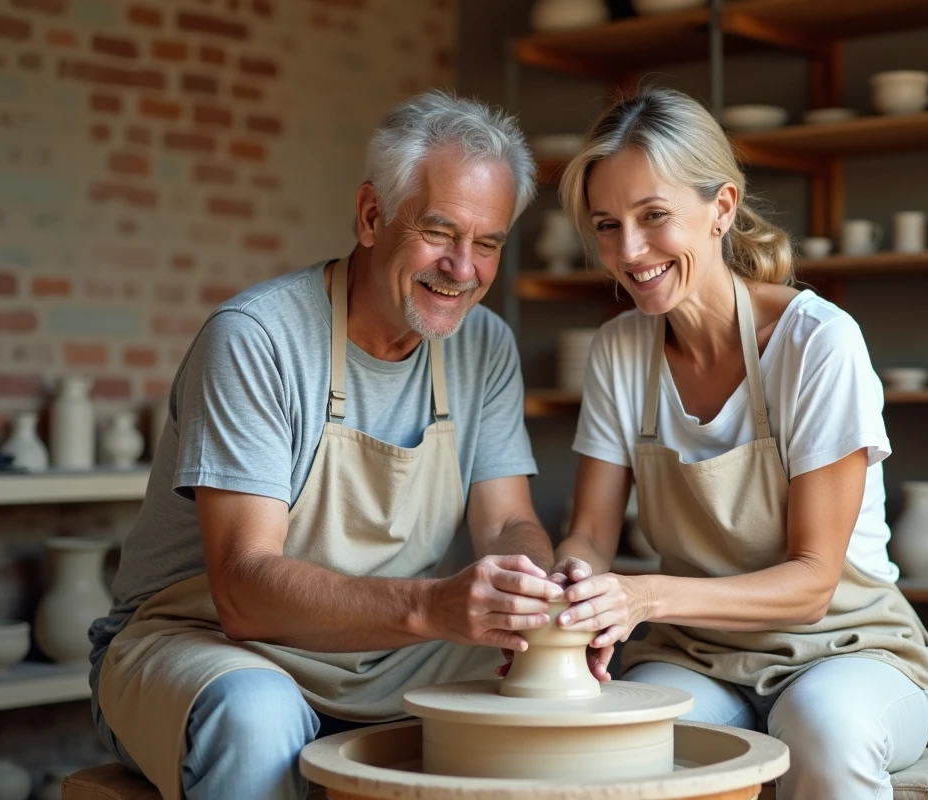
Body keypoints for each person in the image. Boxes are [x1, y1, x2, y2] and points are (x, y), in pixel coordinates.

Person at [87, 90, 578, 800]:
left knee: (553, 701)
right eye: (440, 232)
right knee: (258, 718)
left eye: (490, 243)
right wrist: (433, 608)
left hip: (390, 654)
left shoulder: (486, 346)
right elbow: (244, 592)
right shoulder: (257, 338)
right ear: (372, 216)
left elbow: (506, 523)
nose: (463, 268)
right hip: (208, 646)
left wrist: (535, 593)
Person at [548, 86, 928, 799]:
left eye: (654, 216)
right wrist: (572, 589)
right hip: (696, 655)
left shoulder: (816, 343)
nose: (628, 251)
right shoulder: (617, 352)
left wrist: (640, 599)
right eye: (607, 225)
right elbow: (589, 533)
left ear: (722, 209)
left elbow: (814, 583)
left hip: (849, 647)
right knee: (625, 741)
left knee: (821, 725)